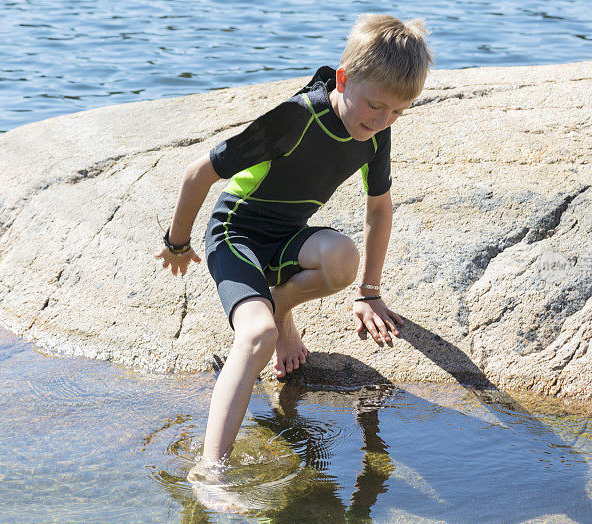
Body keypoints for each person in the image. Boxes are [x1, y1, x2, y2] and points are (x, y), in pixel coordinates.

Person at [154, 13, 432, 475]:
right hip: (236, 234)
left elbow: (380, 208)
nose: (383, 121)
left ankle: (279, 308)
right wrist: (177, 243)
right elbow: (198, 173)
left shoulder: (376, 132)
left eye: (397, 113)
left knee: (342, 258)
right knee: (257, 335)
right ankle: (210, 471)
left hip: (285, 240)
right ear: (344, 78)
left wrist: (369, 292)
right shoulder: (296, 118)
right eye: (376, 106)